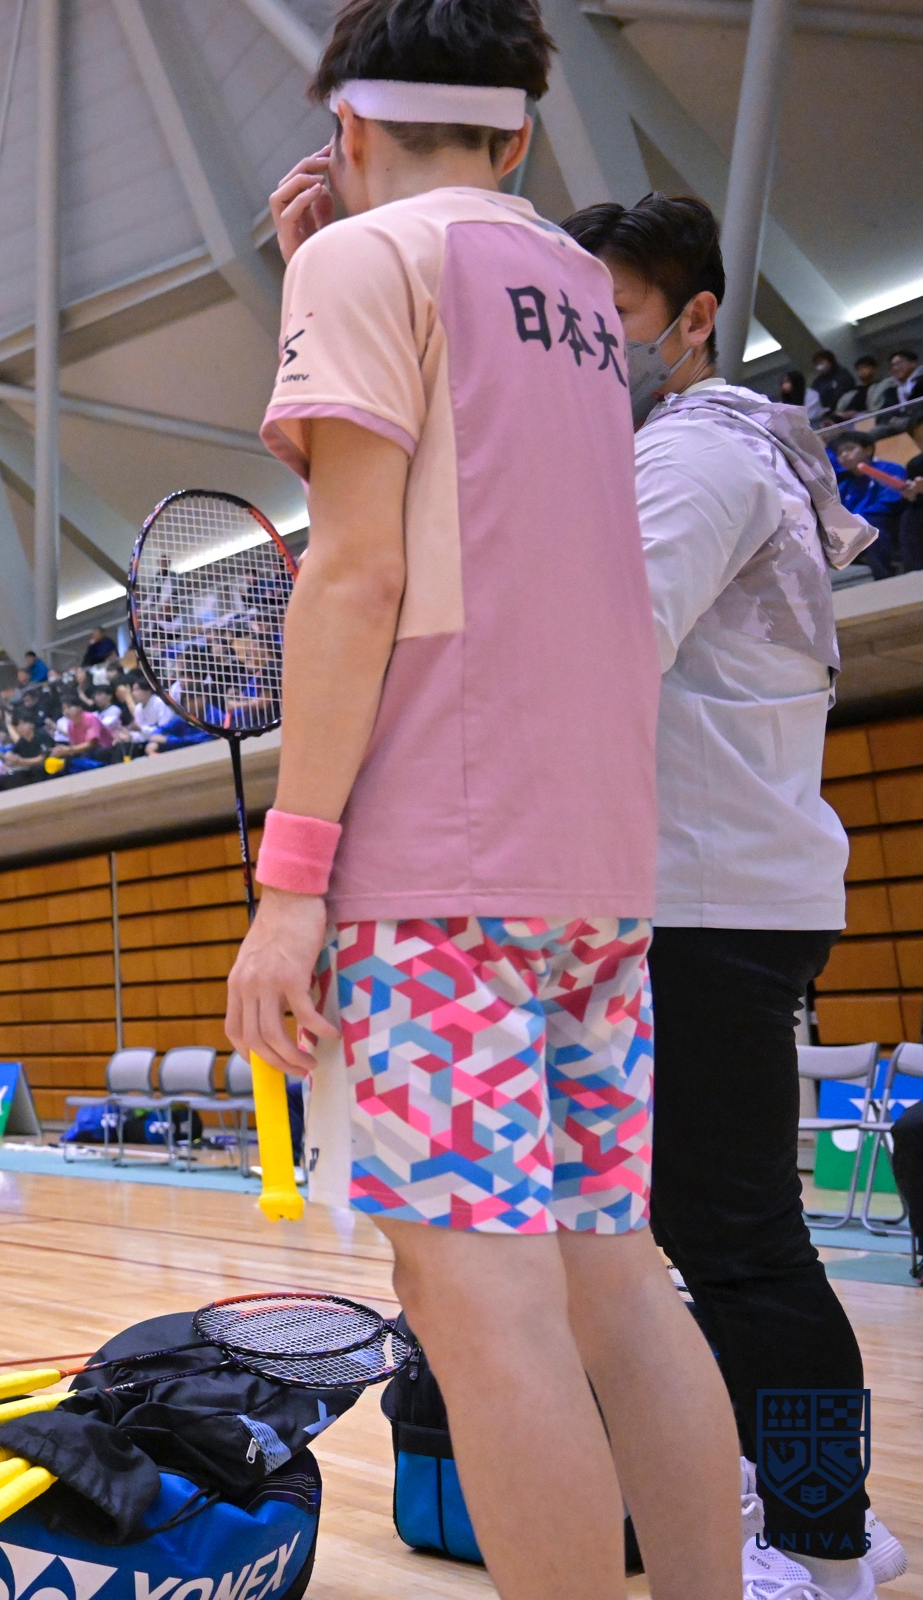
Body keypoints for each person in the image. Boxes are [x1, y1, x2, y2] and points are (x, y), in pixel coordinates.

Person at [230, 6, 742, 1597]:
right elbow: (476, 505)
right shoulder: (582, 291)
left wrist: (290, 886)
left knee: (489, 1317)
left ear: (348, 124)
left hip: (436, 872)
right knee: (620, 1290)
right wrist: (330, 270)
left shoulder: (362, 264)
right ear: (518, 135)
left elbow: (357, 573)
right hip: (594, 866)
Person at [567, 192, 904, 1599]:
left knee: (741, 1242)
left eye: (614, 320)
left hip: (709, 908)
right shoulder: (699, 453)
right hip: (716, 896)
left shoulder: (694, 459)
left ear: (694, 317)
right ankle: (789, 1500)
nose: (588, 351)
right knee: (712, 1239)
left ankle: (827, 1538)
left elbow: (598, 654)